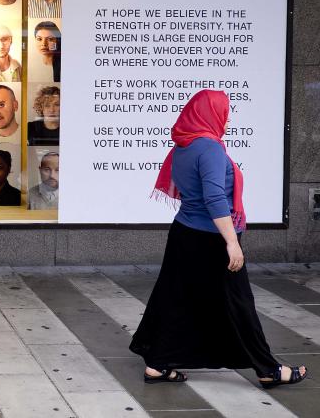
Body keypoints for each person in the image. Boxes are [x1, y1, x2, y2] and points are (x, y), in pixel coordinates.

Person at [132, 90, 308, 388]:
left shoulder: (183, 146)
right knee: (239, 303)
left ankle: (157, 364)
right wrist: (231, 242)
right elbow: (214, 197)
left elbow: (192, 192)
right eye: (225, 111)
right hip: (212, 239)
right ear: (212, 114)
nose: (227, 118)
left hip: (184, 233)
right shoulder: (209, 148)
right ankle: (268, 369)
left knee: (175, 297)